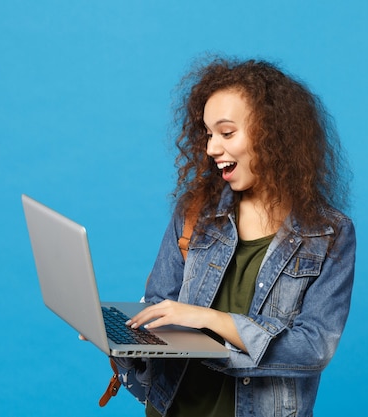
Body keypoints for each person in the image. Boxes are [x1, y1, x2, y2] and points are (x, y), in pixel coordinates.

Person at [121, 56, 356, 417]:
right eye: (209, 134)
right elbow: (160, 305)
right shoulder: (195, 212)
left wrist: (209, 319)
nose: (212, 148)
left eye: (227, 133)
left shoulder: (329, 234)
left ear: (273, 135)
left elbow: (313, 348)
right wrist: (125, 341)